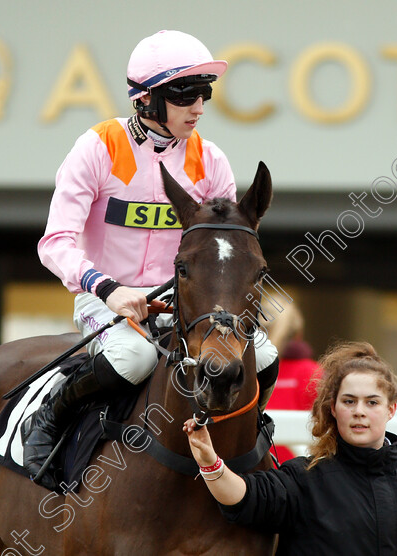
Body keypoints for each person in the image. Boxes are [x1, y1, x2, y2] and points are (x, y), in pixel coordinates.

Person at [24, 30, 279, 483]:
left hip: (183, 300)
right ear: (146, 100)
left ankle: (251, 430)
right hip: (104, 296)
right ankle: (51, 417)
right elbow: (55, 242)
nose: (198, 107)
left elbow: (223, 249)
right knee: (135, 358)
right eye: (185, 95)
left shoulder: (211, 160)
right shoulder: (97, 147)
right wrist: (109, 290)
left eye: (205, 93)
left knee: (264, 355)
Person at [183, 341, 397, 555]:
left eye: (372, 402)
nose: (359, 411)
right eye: (349, 401)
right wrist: (210, 461)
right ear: (333, 409)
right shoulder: (303, 477)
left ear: (391, 410)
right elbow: (245, 497)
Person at [264, 303, 321, 463]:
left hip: (250, 475)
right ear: (299, 335)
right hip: (297, 472)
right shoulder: (313, 373)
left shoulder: (242, 373)